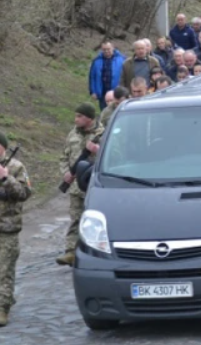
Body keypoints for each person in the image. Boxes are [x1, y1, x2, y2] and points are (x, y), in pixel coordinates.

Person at [56, 103, 103, 266]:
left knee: (96, 222)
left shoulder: (103, 134)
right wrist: (66, 173)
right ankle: (70, 252)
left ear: (89, 118)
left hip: (95, 187)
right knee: (75, 218)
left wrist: (99, 150)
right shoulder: (72, 134)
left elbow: (115, 155)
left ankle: (95, 253)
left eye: (79, 116)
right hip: (75, 186)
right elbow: (63, 156)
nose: (75, 119)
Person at [0, 131, 32, 327]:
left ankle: (2, 309)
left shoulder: (16, 167)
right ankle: (4, 297)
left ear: (2, 146)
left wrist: (5, 178)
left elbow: (24, 193)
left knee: (5, 269)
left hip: (7, 227)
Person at [88, 41, 125, 110]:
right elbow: (92, 77)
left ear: (113, 48)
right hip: (102, 93)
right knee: (104, 112)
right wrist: (93, 91)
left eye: (108, 49)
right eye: (104, 49)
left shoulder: (122, 59)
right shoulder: (96, 61)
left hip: (117, 92)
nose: (106, 51)